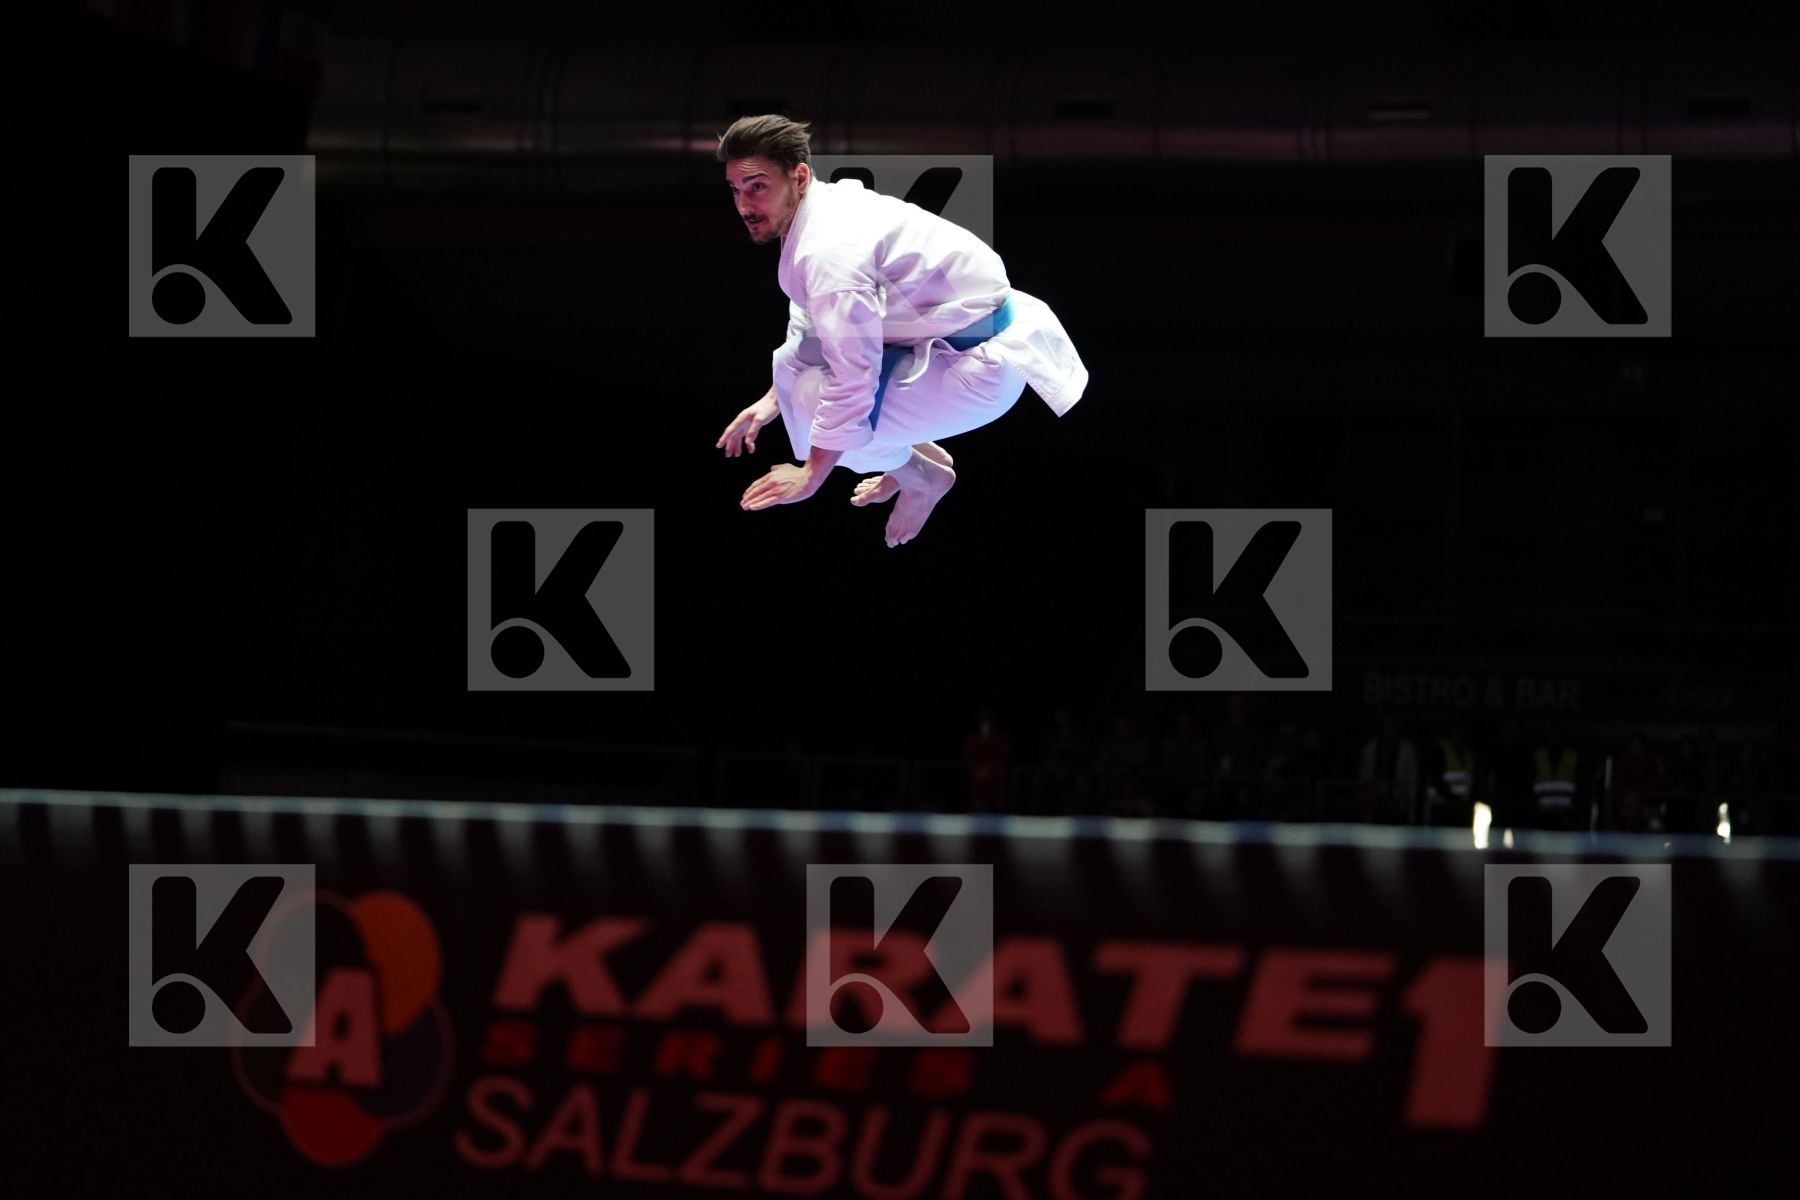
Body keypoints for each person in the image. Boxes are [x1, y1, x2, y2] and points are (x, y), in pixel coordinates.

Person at [712, 114, 1090, 546]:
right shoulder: (822, 206)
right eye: (736, 190)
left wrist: (811, 476)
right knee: (800, 390)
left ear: (798, 176)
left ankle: (921, 475)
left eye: (757, 187)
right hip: (956, 342)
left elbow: (854, 375)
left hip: (977, 373)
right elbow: (812, 318)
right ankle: (907, 452)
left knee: (814, 406)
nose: (743, 205)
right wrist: (771, 399)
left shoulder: (829, 250)